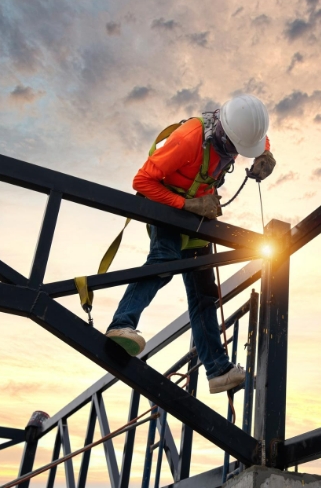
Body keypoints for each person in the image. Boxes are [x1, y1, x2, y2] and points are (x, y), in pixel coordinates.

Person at [105, 94, 276, 394]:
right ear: (223, 132)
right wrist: (185, 205)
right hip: (170, 207)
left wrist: (265, 155)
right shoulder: (189, 139)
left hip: (198, 214)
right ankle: (121, 324)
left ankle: (218, 370)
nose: (238, 155)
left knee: (203, 295)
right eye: (237, 148)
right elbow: (142, 181)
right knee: (164, 260)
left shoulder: (240, 129)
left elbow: (257, 139)